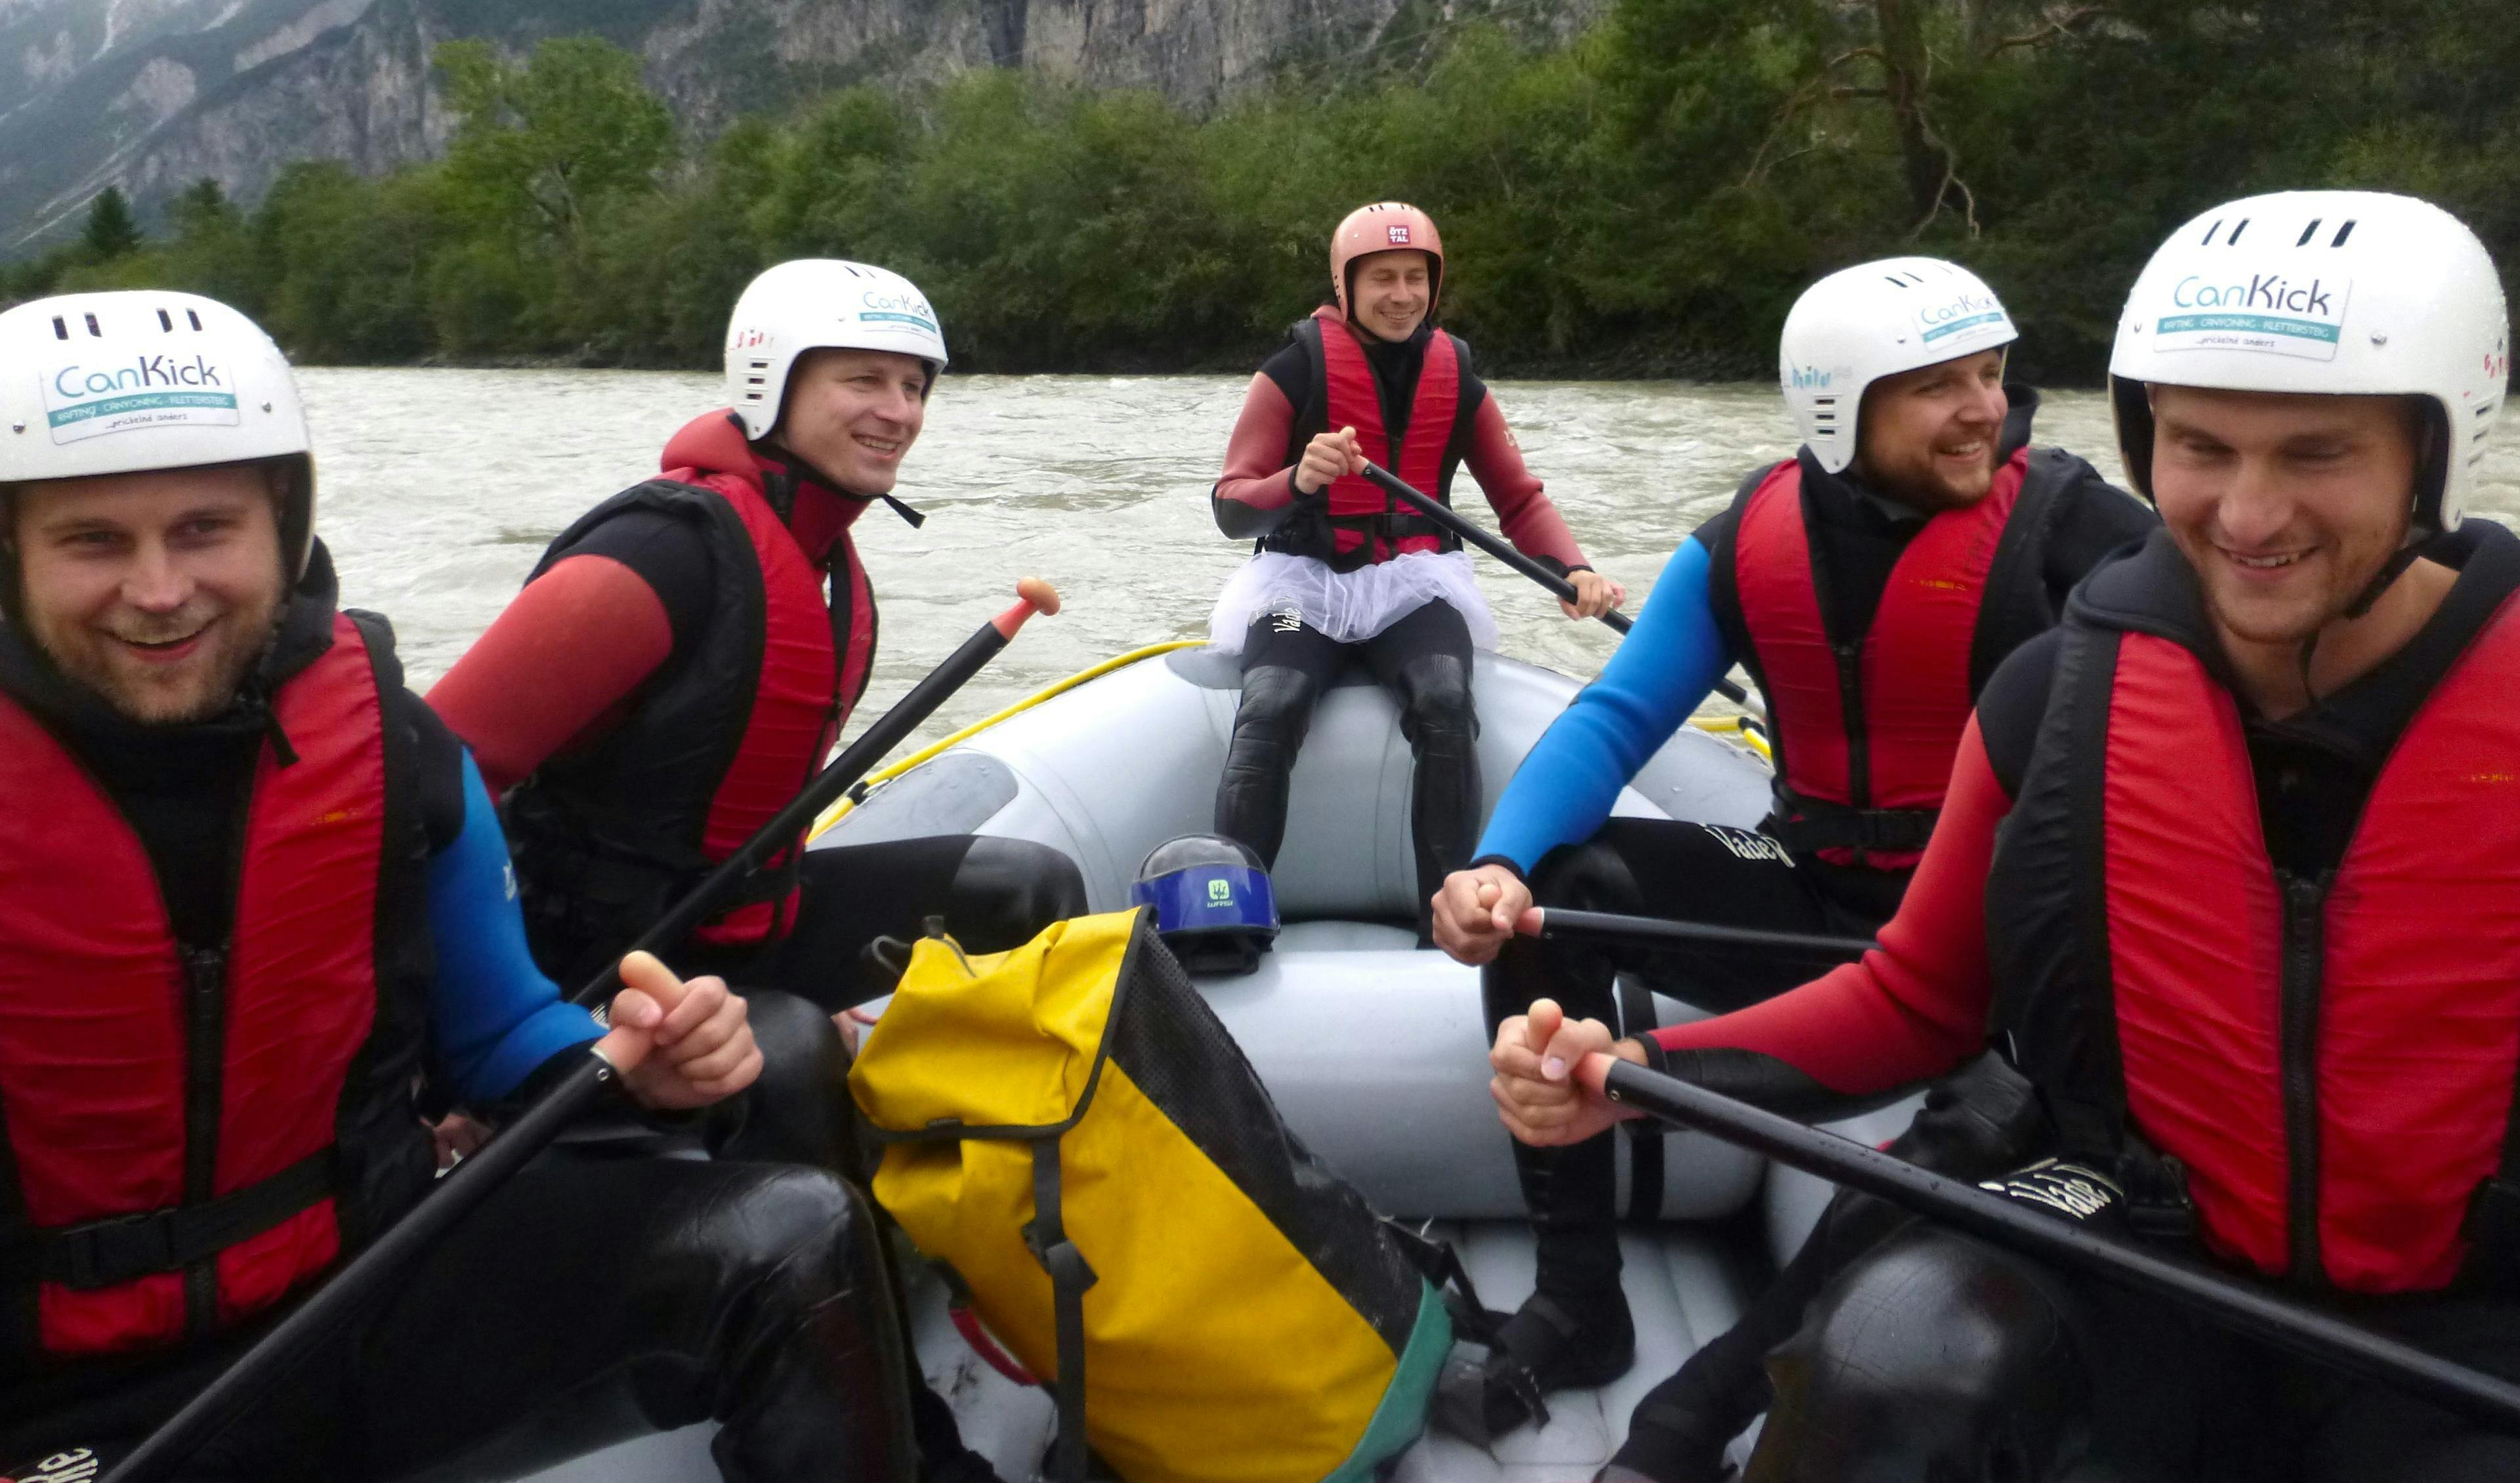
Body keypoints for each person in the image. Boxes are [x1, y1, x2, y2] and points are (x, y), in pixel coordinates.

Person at [1491, 190, 2520, 1482]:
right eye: (2199, 445)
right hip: (2146, 1250)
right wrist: (1630, 1065)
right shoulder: (2058, 698)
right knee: (1889, 1358)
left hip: (2462, 1321)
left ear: (2435, 452)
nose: (2246, 515)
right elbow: (1917, 997)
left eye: (2317, 453)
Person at [0, 290, 915, 1480]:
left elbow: (505, 1032)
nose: (162, 589)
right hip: (52, 1383)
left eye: (206, 529)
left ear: (284, 523)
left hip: (366, 1290)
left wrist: (650, 1067)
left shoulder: (389, 738)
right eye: (94, 542)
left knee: (790, 1237)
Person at [1427, 257, 2156, 1441]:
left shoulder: (2081, 534)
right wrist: (1497, 863)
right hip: (1812, 900)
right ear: (1840, 405)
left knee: (1991, 1105)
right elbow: (1618, 718)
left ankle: (1711, 1398)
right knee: (1557, 890)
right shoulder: (1747, 538)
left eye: (1992, 375)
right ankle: (1579, 1300)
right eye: (1939, 386)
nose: (1987, 408)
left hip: (1992, 952)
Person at [428, 259, 1086, 1008]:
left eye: (913, 387)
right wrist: (484, 1025)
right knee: (790, 1053)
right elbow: (430, 785)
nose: (899, 411)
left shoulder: (827, 568)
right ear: (769, 384)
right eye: (864, 380)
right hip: (585, 972)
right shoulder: (657, 556)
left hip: (744, 928)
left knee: (1028, 888)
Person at [1208, 202, 1623, 933]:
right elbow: (1233, 505)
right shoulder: (1292, 370)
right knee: (1270, 702)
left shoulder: (1456, 376)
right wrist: (1299, 480)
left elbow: (1519, 501)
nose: (1401, 295)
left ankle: (1453, 919)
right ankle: (1234, 914)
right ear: (1345, 286)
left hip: (1414, 585)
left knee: (1442, 697)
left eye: (1415, 278)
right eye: (1381, 279)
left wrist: (1575, 569)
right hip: (1301, 585)